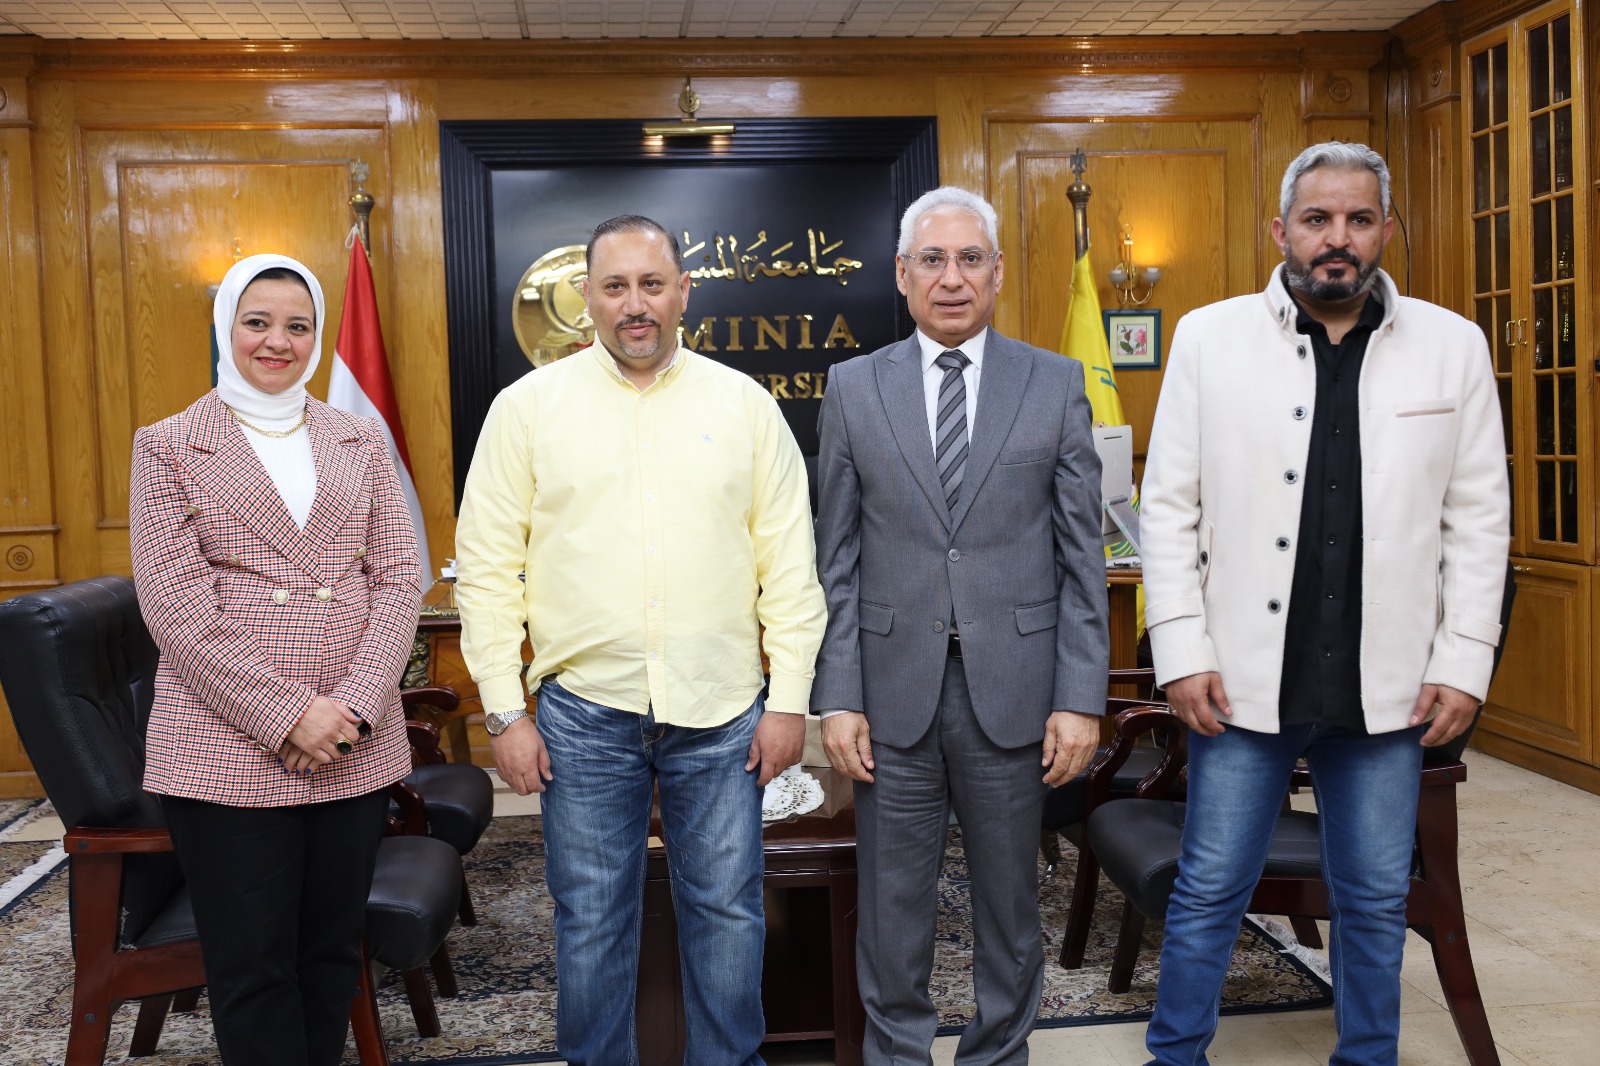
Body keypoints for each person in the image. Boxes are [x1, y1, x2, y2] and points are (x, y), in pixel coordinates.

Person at [1139, 141, 1510, 1065]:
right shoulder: (1208, 337)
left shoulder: (1454, 346)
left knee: (1375, 898)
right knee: (1209, 888)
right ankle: (1175, 1057)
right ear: (1282, 231)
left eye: (1358, 219)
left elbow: (1479, 523)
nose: (1337, 238)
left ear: (1385, 230)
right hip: (1240, 682)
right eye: (1317, 219)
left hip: (1390, 689)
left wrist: (1464, 662)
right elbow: (1169, 509)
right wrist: (1181, 650)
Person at [454, 214, 826, 1065]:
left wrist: (790, 703)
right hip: (582, 717)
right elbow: (486, 571)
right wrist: (504, 712)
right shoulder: (526, 410)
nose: (635, 304)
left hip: (723, 712)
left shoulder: (745, 406)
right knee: (591, 918)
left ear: (683, 292)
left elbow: (790, 569)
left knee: (729, 914)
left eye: (652, 285)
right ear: (587, 296)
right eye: (615, 286)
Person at [812, 186, 1109, 1064]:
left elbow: (1081, 559)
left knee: (1010, 911)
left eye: (970, 259)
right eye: (933, 260)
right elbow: (836, 559)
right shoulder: (853, 387)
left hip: (1016, 695)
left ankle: (998, 1055)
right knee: (890, 911)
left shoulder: (1054, 383)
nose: (952, 278)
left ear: (998, 272)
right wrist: (838, 695)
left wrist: (1080, 698)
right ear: (902, 274)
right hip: (889, 697)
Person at [129, 253, 423, 1065]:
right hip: (225, 746)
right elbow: (175, 606)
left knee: (330, 957)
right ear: (226, 326)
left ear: (317, 337)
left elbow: (400, 576)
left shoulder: (359, 434)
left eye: (298, 325)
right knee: (252, 969)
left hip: (352, 744)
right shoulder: (169, 444)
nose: (277, 341)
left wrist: (351, 707)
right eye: (257, 322)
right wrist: (288, 714)